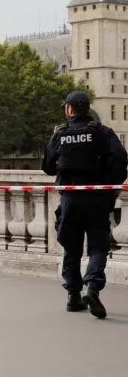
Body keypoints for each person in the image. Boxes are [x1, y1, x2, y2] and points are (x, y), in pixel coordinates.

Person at [43, 90, 128, 318]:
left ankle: (73, 296)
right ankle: (92, 287)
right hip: (97, 198)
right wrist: (110, 186)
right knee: (98, 246)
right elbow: (120, 158)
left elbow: (48, 167)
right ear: (87, 109)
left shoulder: (60, 134)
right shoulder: (102, 132)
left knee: (71, 247)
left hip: (70, 200)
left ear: (69, 109)